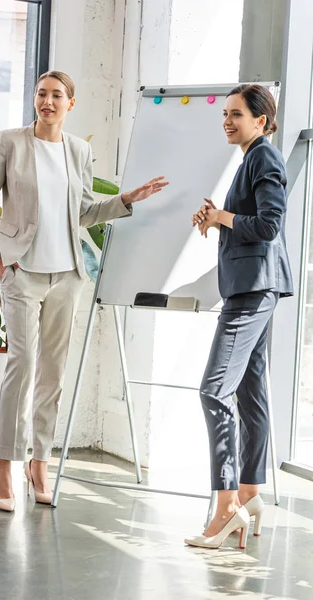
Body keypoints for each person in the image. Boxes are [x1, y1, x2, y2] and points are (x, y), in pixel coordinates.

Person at [0, 70, 169, 512]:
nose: (47, 101)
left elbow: (82, 211)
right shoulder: (10, 142)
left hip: (67, 275)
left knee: (53, 374)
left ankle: (39, 461)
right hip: (21, 274)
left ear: (70, 104)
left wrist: (126, 199)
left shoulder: (79, 150)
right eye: (41, 94)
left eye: (56, 95)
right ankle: (6, 461)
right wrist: (0, 263)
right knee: (20, 365)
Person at [185, 84, 293, 549]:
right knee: (250, 391)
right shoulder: (250, 159)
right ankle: (249, 492)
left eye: (236, 114)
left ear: (261, 120)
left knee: (214, 390)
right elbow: (251, 220)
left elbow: (269, 225)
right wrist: (218, 218)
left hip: (252, 290)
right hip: (253, 287)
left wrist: (224, 217)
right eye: (224, 114)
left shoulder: (264, 158)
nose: (227, 120)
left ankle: (226, 506)